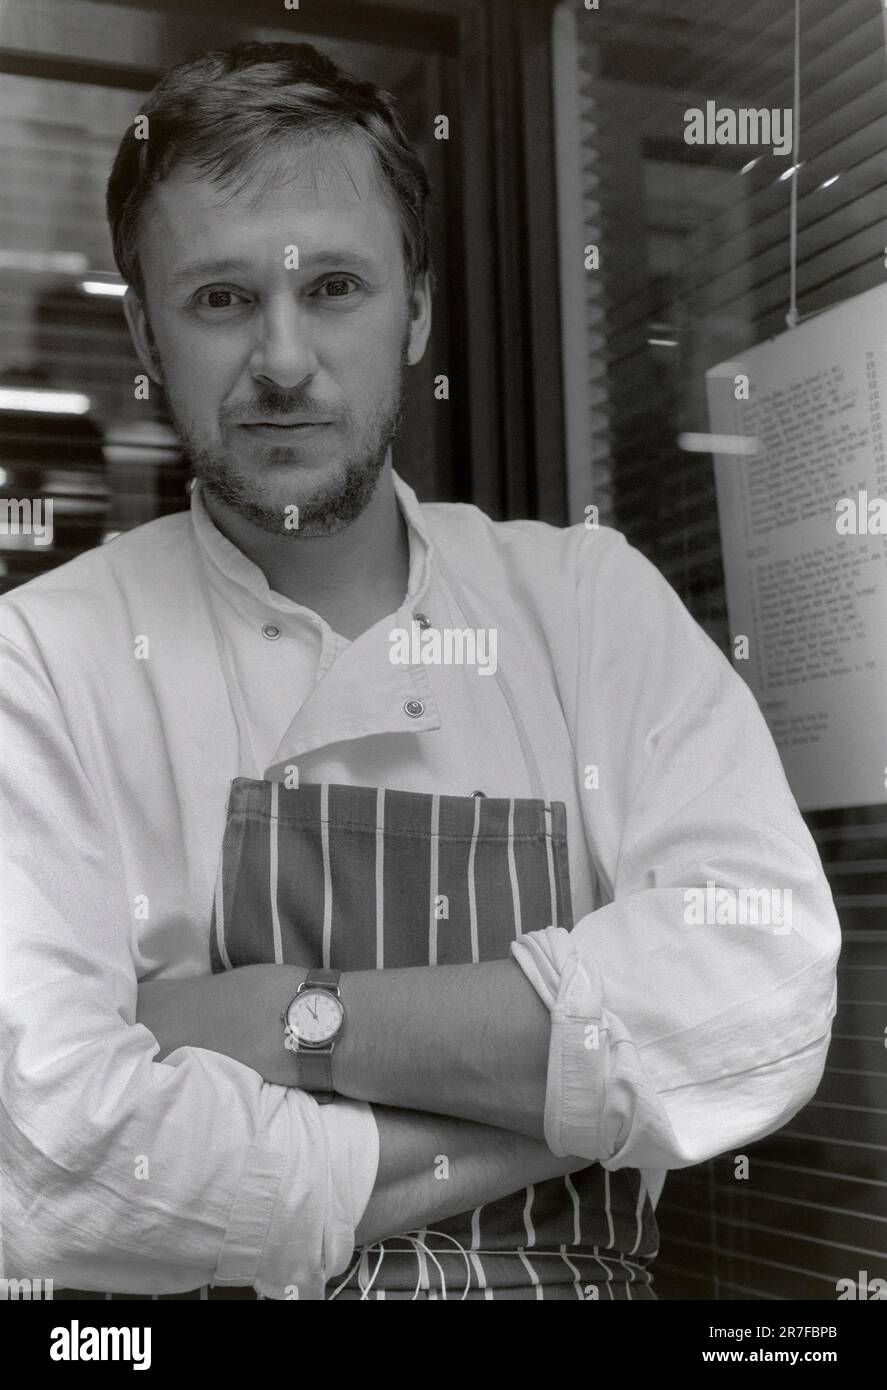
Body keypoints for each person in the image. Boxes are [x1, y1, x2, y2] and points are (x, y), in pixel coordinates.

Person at [0, 41, 840, 1302]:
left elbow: (760, 988)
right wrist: (574, 1106)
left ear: (420, 310)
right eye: (221, 298)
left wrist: (296, 1015)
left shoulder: (584, 605)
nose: (283, 361)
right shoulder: (46, 659)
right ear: (143, 331)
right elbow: (54, 1163)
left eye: (333, 286)